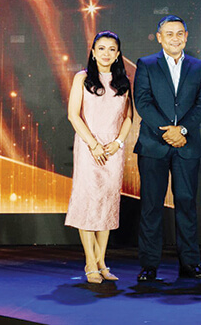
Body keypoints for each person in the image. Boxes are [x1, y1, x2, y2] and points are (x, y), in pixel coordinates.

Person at [133, 15, 201, 282]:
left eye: (179, 33)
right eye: (169, 34)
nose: (175, 38)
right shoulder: (146, 64)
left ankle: (190, 264)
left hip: (187, 145)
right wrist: (167, 132)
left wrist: (183, 130)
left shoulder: (198, 66)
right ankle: (149, 265)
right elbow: (142, 101)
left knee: (187, 205)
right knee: (151, 206)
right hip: (153, 145)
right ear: (159, 37)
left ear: (186, 36)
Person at [66, 31, 133, 283]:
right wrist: (93, 144)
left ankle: (102, 262)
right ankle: (90, 263)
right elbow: (73, 115)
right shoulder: (82, 78)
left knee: (107, 204)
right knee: (88, 203)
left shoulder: (123, 81)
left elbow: (128, 117)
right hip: (89, 147)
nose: (106, 53)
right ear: (93, 52)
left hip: (113, 150)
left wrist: (118, 142)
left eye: (111, 49)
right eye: (101, 48)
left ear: (118, 54)